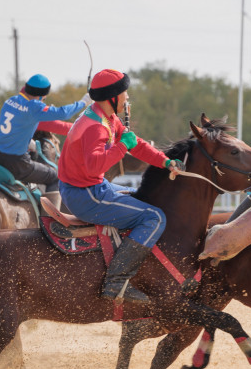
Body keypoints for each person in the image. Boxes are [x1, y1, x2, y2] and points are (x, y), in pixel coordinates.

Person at [57, 69, 185, 303]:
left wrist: (165, 161)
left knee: (142, 201)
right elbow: (96, 166)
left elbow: (135, 144)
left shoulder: (103, 116)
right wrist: (122, 147)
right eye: (125, 94)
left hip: (86, 187)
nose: (127, 99)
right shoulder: (96, 127)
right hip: (85, 195)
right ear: (112, 97)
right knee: (154, 217)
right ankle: (115, 283)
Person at [0, 74, 89, 192]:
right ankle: (49, 211)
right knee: (55, 177)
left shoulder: (10, 101)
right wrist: (83, 103)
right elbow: (63, 113)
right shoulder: (35, 107)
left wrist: (25, 142)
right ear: (42, 96)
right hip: (16, 163)